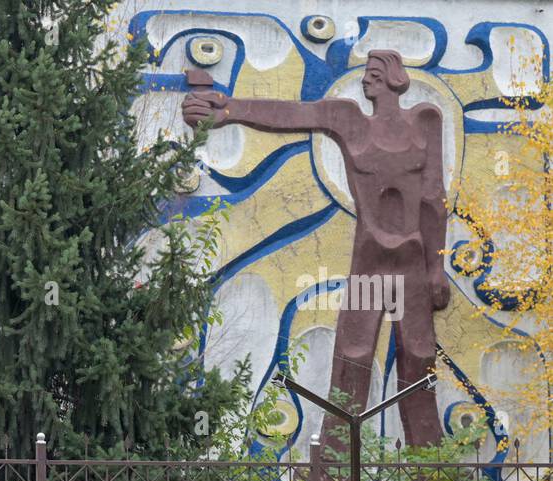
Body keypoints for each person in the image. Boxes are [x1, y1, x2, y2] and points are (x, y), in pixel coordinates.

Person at [183, 50, 448, 453]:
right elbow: (296, 114)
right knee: (353, 356)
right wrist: (230, 109)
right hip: (371, 260)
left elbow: (433, 199)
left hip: (413, 261)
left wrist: (436, 269)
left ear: (395, 79)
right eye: (365, 75)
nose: (365, 81)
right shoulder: (349, 120)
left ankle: (431, 465)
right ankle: (337, 466)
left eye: (375, 74)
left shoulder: (425, 122)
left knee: (419, 355)